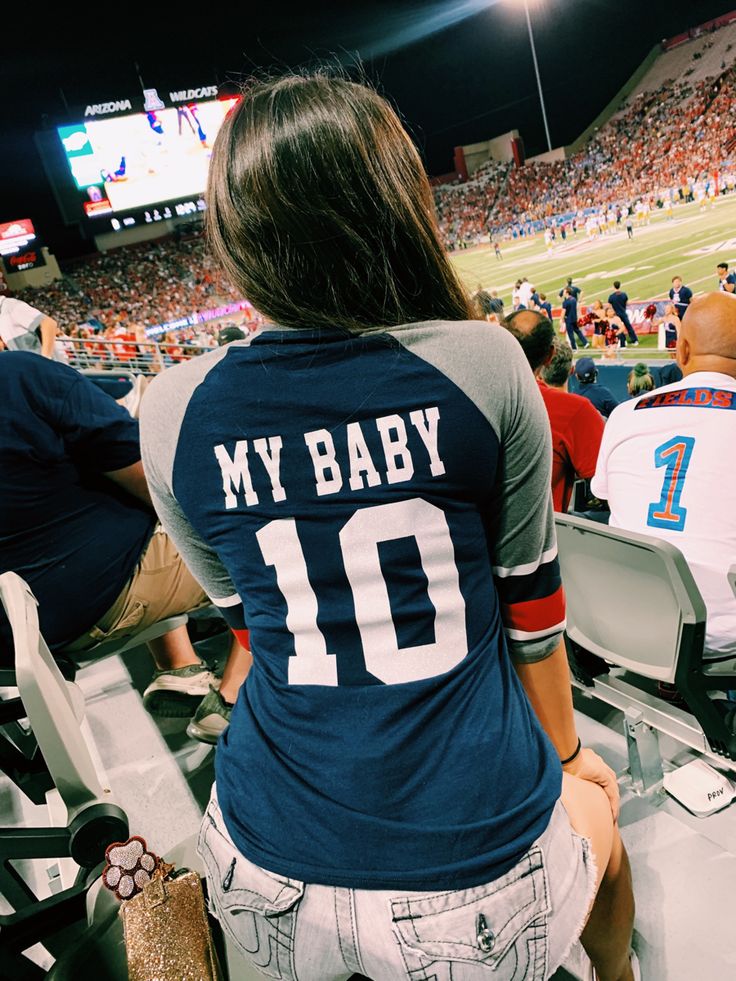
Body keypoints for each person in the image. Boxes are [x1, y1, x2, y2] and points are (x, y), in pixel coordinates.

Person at [140, 75, 636, 981]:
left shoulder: (173, 407)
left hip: (259, 861)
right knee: (603, 815)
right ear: (393, 201)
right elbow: (532, 615)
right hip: (472, 869)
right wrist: (568, 756)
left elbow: (250, 622)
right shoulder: (483, 362)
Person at [0, 352, 250, 743]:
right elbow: (157, 481)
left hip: (8, 633)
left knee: (114, 511)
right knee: (264, 529)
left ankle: (180, 667)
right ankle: (235, 698)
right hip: (77, 605)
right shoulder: (21, 375)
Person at [592, 292, 736, 662]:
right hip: (722, 640)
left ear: (682, 351)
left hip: (630, 623)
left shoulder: (625, 414)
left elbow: (604, 494)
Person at [503, 310, 605, 515]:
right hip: (545, 540)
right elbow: (607, 487)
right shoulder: (574, 410)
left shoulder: (465, 400)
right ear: (550, 355)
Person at [607, 281, 638, 345]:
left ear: (613, 286)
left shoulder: (611, 296)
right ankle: (634, 340)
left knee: (619, 328)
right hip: (623, 313)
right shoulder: (624, 294)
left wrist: (613, 313)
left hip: (616, 315)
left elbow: (609, 307)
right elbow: (627, 303)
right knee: (628, 327)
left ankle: (623, 340)